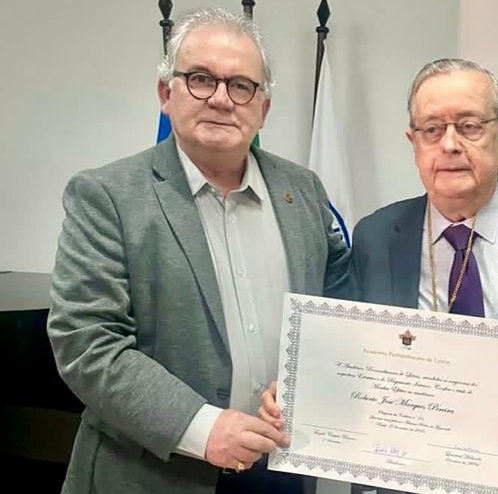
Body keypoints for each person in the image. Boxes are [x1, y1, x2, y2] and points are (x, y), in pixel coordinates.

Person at [260, 59, 498, 494]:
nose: (450, 144)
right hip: (410, 479)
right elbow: (354, 355)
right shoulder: (376, 236)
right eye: (432, 129)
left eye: (469, 126)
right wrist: (303, 388)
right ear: (413, 142)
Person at [47, 7, 348, 494]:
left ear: (263, 109)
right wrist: (202, 428)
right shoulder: (106, 196)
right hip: (157, 473)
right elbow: (88, 342)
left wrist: (311, 377)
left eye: (241, 85)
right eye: (201, 79)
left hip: (282, 467)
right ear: (166, 94)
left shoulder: (304, 191)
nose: (221, 99)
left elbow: (340, 307)